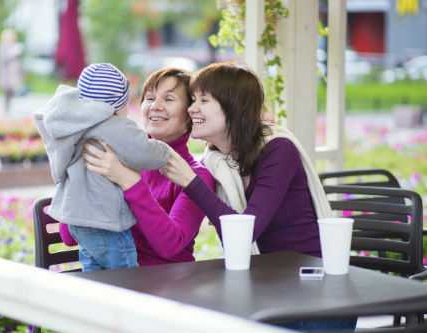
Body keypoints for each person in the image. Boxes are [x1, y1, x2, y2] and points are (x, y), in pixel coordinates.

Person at [159, 62, 356, 331]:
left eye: (203, 100)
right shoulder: (216, 162)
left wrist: (191, 183)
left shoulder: (278, 150)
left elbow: (244, 232)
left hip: (316, 295)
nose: (192, 109)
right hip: (265, 289)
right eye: (193, 100)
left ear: (233, 107)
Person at [34, 63, 170, 272]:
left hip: (79, 224)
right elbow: (144, 152)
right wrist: (165, 151)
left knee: (94, 275)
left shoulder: (73, 127)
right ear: (116, 106)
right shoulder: (113, 126)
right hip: (106, 222)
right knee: (125, 279)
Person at [80, 67, 215, 266]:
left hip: (170, 284)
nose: (155, 106)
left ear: (189, 114)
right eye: (150, 98)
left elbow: (171, 246)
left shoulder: (196, 176)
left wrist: (129, 181)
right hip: (116, 281)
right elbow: (69, 235)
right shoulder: (115, 158)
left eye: (168, 99)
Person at [0, 28, 24, 113]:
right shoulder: (2, 46)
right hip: (6, 74)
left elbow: (18, 61)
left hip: (13, 74)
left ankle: (8, 108)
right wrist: (13, 53)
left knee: (11, 92)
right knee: (6, 92)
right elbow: (3, 58)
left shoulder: (14, 45)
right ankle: (5, 109)